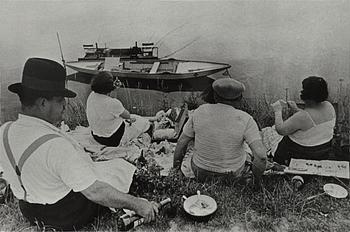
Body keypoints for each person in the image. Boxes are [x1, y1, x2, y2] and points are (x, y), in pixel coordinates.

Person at [0, 58, 158, 230]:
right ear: (43, 103)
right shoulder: (56, 146)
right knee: (114, 171)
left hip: (28, 209)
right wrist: (138, 204)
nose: (65, 106)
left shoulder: (4, 130)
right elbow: (95, 192)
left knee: (101, 169)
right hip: (63, 214)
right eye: (60, 100)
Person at [173, 78, 267, 182]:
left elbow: (181, 142)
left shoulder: (199, 112)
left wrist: (176, 170)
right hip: (232, 175)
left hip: (200, 172)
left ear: (215, 96)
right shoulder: (246, 119)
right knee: (247, 153)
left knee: (192, 146)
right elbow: (261, 157)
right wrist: (256, 181)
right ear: (239, 99)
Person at [271, 76, 336, 166]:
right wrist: (295, 109)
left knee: (284, 138)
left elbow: (280, 130)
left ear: (306, 94)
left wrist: (277, 110)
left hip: (303, 153)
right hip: (322, 151)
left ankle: (278, 163)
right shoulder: (329, 106)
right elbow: (311, 120)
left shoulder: (302, 117)